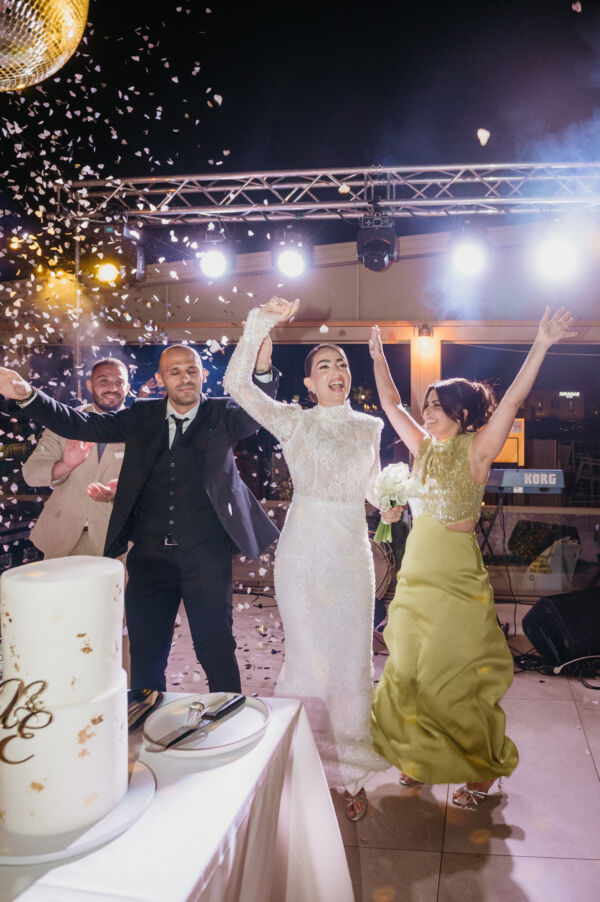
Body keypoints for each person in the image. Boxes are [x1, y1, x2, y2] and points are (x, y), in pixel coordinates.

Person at [369, 306, 576, 809]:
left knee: (454, 676)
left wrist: (542, 343)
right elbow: (391, 403)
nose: (427, 413)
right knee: (409, 672)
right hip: (416, 577)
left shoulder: (476, 451)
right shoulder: (422, 450)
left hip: (456, 578)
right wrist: (377, 357)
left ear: (461, 415)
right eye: (427, 406)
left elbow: (513, 399)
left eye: (437, 407)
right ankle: (420, 755)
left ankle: (482, 770)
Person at [0, 342, 279, 694]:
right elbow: (81, 422)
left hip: (206, 555)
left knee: (216, 647)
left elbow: (258, 413)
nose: (185, 378)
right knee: (146, 654)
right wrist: (27, 395)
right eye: (175, 372)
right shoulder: (141, 415)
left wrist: (263, 368)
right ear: (160, 379)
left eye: (191, 370)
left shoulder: (223, 413)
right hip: (148, 557)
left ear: (203, 374)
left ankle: (231, 713)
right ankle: (145, 715)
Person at [223, 297, 388, 822]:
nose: (337, 370)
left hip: (352, 554)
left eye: (342, 363)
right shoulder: (295, 421)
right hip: (304, 553)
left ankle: (351, 773)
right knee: (307, 660)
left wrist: (392, 498)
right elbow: (236, 385)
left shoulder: (370, 428)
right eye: (325, 365)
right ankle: (296, 763)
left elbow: (374, 490)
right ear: (310, 384)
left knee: (351, 664)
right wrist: (258, 324)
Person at [22, 357, 129, 559]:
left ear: (128, 388)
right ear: (89, 385)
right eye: (103, 381)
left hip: (118, 544)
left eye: (119, 382)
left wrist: (120, 493)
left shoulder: (142, 428)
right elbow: (31, 474)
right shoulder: (64, 421)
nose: (112, 388)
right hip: (61, 540)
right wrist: (65, 465)